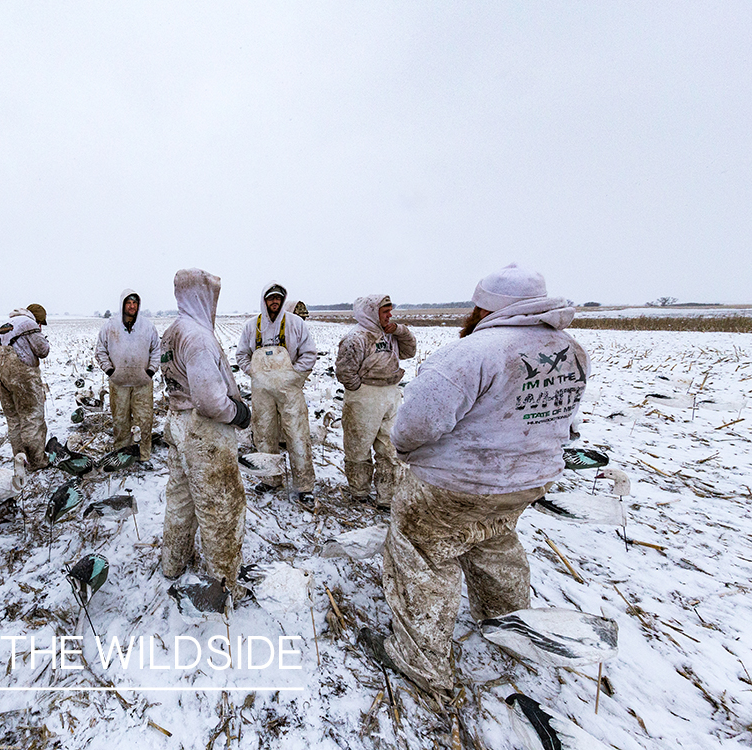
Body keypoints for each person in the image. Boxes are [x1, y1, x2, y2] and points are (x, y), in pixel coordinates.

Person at [367, 264, 589, 697]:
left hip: (457, 484)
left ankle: (421, 663)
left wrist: (407, 454)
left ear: (487, 305)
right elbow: (565, 415)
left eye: (476, 304)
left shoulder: (473, 352)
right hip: (527, 481)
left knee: (423, 555)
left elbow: (415, 423)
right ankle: (507, 625)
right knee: (494, 540)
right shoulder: (570, 348)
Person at [160, 269, 251, 593]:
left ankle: (173, 561)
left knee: (181, 499)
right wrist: (238, 413)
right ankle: (223, 585)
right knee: (221, 508)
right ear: (201, 296)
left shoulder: (172, 332)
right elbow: (210, 400)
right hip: (204, 432)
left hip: (178, 421)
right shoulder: (197, 337)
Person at [234, 282, 318, 498]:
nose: (274, 301)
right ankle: (270, 480)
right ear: (264, 300)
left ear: (282, 300)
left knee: (297, 435)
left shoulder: (296, 324)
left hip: (290, 391)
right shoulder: (252, 326)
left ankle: (304, 486)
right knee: (264, 434)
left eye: (278, 298)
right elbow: (242, 354)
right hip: (262, 392)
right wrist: (253, 372)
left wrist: (293, 376)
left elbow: (309, 354)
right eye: (270, 298)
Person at [335, 295, 416, 505]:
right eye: (385, 311)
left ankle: (387, 497)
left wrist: (400, 330)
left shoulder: (390, 334)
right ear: (371, 312)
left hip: (391, 394)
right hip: (365, 397)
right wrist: (360, 391)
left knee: (390, 448)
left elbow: (410, 351)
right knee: (358, 446)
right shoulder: (356, 338)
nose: (389, 316)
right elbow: (345, 372)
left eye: (390, 311)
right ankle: (359, 491)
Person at [95, 289, 161, 466]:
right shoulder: (110, 326)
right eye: (128, 303)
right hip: (119, 383)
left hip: (142, 383)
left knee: (143, 420)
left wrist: (151, 371)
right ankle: (121, 453)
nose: (132, 306)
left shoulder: (148, 327)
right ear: (123, 304)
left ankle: (142, 454)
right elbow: (100, 350)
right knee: (120, 420)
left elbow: (156, 350)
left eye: (135, 303)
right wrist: (110, 371)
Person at [0, 304, 51, 470]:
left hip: (2, 376)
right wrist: (42, 337)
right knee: (32, 417)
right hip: (22, 376)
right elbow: (43, 350)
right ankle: (36, 461)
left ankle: (21, 459)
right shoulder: (29, 324)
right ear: (37, 319)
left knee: (13, 418)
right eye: (41, 322)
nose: (40, 326)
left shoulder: (6, 325)